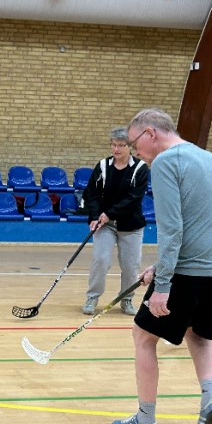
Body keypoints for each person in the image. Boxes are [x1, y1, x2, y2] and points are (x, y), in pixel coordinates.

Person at [110, 108, 212, 424]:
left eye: (135, 144)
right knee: (200, 336)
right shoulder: (208, 158)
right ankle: (210, 401)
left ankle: (145, 421)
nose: (136, 152)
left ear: (151, 133)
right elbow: (206, 223)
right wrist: (160, 267)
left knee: (143, 336)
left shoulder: (165, 162)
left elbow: (172, 229)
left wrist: (162, 285)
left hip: (190, 273)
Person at [82, 127, 150, 316]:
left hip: (131, 226)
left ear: (130, 147)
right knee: (101, 260)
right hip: (106, 225)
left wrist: (110, 213)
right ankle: (92, 297)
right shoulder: (103, 166)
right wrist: (95, 216)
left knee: (130, 265)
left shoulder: (140, 168)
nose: (116, 149)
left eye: (121, 145)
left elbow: (133, 197)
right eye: (114, 145)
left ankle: (126, 299)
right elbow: (92, 194)